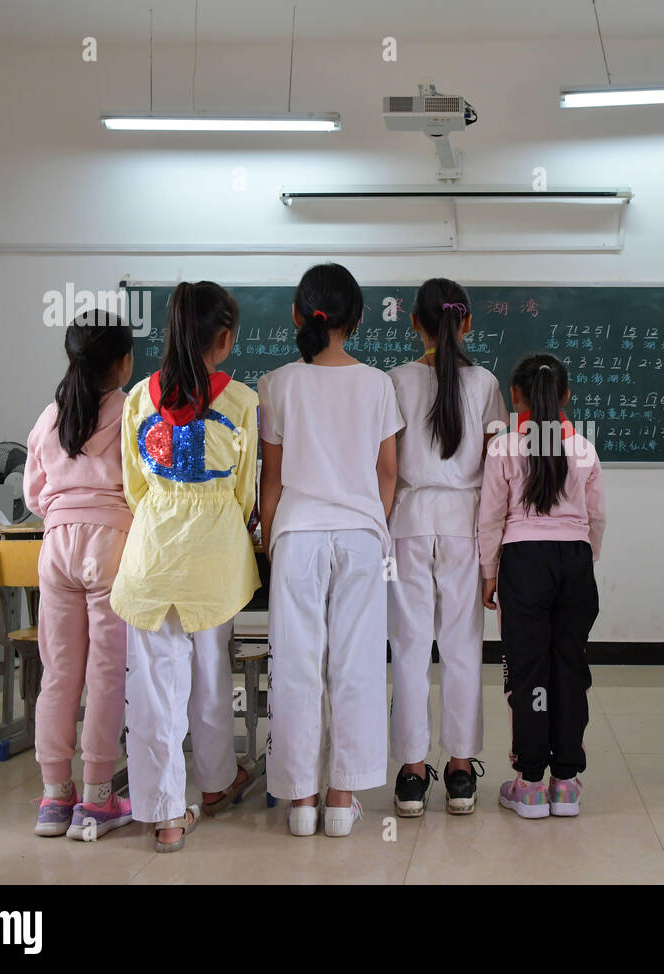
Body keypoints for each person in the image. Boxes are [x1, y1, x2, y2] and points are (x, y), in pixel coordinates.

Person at [110, 281, 260, 852]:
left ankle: (167, 813)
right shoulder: (243, 401)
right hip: (215, 555)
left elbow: (134, 488)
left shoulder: (137, 399)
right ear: (223, 339)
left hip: (151, 554)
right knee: (210, 672)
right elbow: (245, 494)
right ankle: (218, 783)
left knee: (152, 688)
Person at [258, 263, 404, 837]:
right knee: (357, 662)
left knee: (295, 664)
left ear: (298, 314)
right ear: (360, 318)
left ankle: (300, 801)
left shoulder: (276, 383)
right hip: (362, 536)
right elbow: (387, 472)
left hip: (296, 533)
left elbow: (270, 481)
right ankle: (342, 801)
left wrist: (273, 541)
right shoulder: (378, 384)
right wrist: (370, 519)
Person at [386, 278, 506, 816]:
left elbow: (384, 468)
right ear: (468, 323)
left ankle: (412, 774)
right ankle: (460, 771)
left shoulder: (393, 381)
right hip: (465, 522)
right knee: (461, 648)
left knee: (409, 648)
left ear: (415, 323)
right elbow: (499, 471)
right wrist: (492, 555)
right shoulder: (486, 384)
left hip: (407, 521)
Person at [24, 310, 134, 839]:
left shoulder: (51, 415)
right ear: (122, 362)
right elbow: (142, 484)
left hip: (56, 546)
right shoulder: (130, 411)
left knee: (59, 674)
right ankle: (96, 797)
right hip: (110, 542)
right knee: (107, 674)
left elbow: (32, 493)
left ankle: (53, 797)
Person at [479, 354, 605, 818]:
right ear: (566, 396)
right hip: (573, 563)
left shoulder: (504, 448)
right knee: (570, 669)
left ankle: (530, 784)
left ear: (516, 396)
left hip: (523, 563)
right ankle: (566, 784)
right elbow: (598, 518)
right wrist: (582, 559)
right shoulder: (584, 448)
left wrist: (489, 573)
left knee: (528, 674)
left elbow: (490, 517)